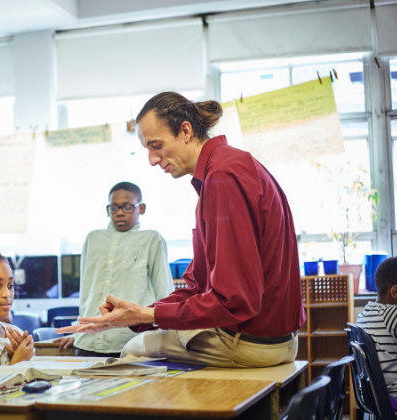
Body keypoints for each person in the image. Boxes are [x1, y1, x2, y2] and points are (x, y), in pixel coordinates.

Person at [58, 92, 305, 368]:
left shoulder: (222, 178)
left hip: (253, 342)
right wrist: (141, 313)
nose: (152, 159)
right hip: (276, 339)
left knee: (133, 351)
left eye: (156, 145)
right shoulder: (230, 166)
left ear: (185, 131)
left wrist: (148, 316)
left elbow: (235, 301)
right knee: (149, 335)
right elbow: (201, 287)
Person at [55, 182, 174, 357]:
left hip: (132, 342)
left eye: (127, 207)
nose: (119, 212)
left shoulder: (151, 239)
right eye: (114, 208)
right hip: (89, 342)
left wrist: (168, 334)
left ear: (141, 208)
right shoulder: (93, 238)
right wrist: (79, 331)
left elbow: (164, 292)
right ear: (107, 210)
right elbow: (87, 291)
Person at [356, 256, 397, 400]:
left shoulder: (363, 315)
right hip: (393, 396)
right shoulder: (392, 314)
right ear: (395, 292)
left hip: (373, 397)